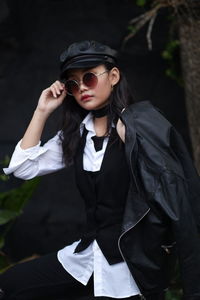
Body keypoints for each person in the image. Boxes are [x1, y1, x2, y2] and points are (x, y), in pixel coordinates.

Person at [1, 40, 200, 300]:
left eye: (89, 78)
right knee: (8, 285)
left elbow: (174, 194)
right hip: (87, 255)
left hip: (131, 263)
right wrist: (42, 110)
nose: (81, 87)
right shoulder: (77, 134)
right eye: (73, 83)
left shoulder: (139, 125)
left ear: (113, 76)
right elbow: (22, 168)